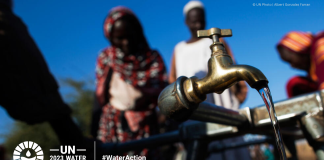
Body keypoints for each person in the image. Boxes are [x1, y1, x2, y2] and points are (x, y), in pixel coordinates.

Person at [168, 1, 250, 160]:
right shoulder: (179, 50)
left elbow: (232, 66)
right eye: (194, 21)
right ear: (186, 22)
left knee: (230, 147)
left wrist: (238, 96)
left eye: (201, 20)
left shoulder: (214, 41)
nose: (198, 24)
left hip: (223, 105)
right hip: (195, 112)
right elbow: (173, 79)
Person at [91, 6, 168, 157]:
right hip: (112, 128)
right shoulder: (106, 58)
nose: (126, 43)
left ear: (137, 32)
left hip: (146, 127)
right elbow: (99, 95)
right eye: (119, 38)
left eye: (129, 36)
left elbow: (163, 95)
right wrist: (93, 134)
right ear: (110, 37)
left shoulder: (152, 59)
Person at [277, 31, 318, 98]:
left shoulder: (320, 58)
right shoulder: (311, 75)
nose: (291, 66)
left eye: (290, 61)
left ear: (300, 50)